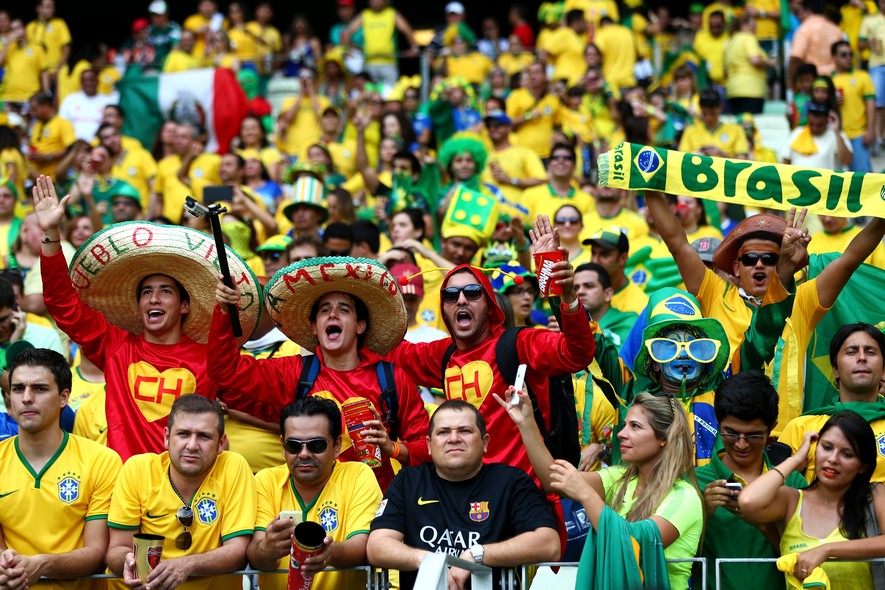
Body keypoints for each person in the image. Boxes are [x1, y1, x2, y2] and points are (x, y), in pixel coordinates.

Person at [34, 175, 261, 460]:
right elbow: (62, 304)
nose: (153, 298)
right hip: (126, 489)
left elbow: (254, 394)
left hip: (185, 488)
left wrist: (225, 312)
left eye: (165, 291)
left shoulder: (209, 360)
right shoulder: (115, 346)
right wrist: (51, 234)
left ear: (184, 306)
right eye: (146, 292)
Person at [387, 216, 597, 479]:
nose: (461, 299)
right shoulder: (442, 354)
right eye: (451, 295)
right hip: (464, 496)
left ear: (490, 305)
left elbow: (577, 353)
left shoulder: (520, 344)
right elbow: (388, 349)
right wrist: (373, 290)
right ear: (444, 308)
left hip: (522, 499)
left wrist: (567, 296)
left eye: (473, 292)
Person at [210, 255, 430, 491]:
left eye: (343, 309)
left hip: (376, 505)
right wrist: (223, 312)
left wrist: (392, 448)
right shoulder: (294, 372)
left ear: (360, 326)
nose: (333, 315)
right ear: (315, 327)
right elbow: (226, 372)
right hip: (310, 505)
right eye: (325, 310)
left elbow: (428, 446)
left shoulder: (392, 378)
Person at [499, 388, 703, 589]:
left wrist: (586, 494)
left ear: (663, 437)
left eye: (635, 427)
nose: (621, 434)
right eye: (624, 425)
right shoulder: (618, 478)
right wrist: (526, 423)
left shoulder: (684, 496)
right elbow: (553, 481)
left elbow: (633, 547)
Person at [367, 399, 560, 590]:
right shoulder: (408, 481)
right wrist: (431, 562)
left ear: (485, 442)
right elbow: (377, 546)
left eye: (464, 431)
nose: (453, 438)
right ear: (428, 444)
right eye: (443, 432)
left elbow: (549, 545)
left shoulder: (511, 481)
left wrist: (475, 555)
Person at [0, 348, 122, 589]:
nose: (26, 398)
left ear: (64, 397)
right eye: (18, 388)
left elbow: (98, 552)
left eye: (39, 388)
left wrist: (42, 564)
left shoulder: (101, 460)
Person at [106, 395, 255, 590]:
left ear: (221, 443)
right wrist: (127, 562)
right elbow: (116, 549)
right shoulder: (138, 468)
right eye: (183, 434)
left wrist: (186, 565)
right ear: (167, 437)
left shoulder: (233, 467)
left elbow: (237, 552)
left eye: (204, 436)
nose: (192, 445)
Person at [248, 397, 382, 590]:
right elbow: (257, 558)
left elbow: (363, 547)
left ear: (336, 446)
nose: (304, 454)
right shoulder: (266, 480)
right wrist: (267, 550)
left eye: (316, 445)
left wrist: (329, 553)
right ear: (282, 446)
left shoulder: (358, 476)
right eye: (293, 445)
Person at [740, 411, 885, 588]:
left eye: (847, 454)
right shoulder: (792, 500)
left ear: (863, 466)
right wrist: (796, 459)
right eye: (826, 447)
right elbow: (748, 501)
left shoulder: (874, 495)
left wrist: (827, 550)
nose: (832, 459)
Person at [695, 370, 807, 590]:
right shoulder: (693, 482)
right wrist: (703, 514)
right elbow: (677, 559)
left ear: (772, 427)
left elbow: (804, 561)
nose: (742, 444)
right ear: (718, 422)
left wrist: (764, 525)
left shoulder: (793, 483)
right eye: (731, 433)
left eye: (754, 435)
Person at [779, 323, 885, 482]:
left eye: (870, 352)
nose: (862, 357)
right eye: (851, 352)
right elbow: (775, 492)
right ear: (835, 369)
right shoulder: (800, 428)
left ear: (883, 369)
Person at [832, 40, 876, 173]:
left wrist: (870, 130)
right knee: (837, 178)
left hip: (858, 135)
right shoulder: (829, 80)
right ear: (833, 57)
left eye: (851, 54)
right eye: (844, 54)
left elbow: (871, 105)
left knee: (864, 178)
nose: (848, 57)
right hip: (836, 135)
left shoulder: (863, 77)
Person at [573, 262, 638, 350]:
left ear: (608, 294)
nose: (580, 292)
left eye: (589, 286)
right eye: (575, 288)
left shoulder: (629, 322)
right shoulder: (568, 325)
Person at [584, 228, 648, 316]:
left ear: (623, 258)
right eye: (593, 253)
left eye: (604, 255)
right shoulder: (580, 293)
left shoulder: (641, 306)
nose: (595, 261)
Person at [781, 100, 853, 169]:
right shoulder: (797, 132)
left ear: (827, 120)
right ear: (808, 118)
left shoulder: (836, 135)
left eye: (819, 125)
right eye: (812, 124)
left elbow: (846, 161)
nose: (815, 128)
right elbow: (785, 162)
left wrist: (837, 132)